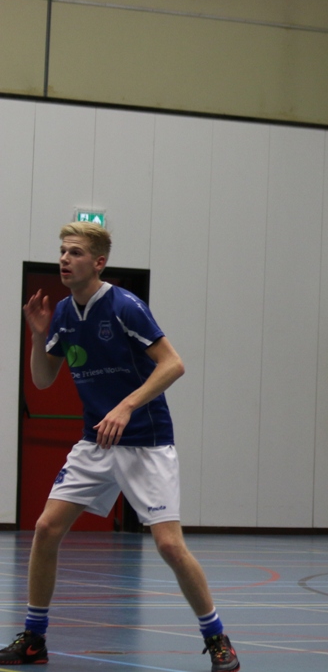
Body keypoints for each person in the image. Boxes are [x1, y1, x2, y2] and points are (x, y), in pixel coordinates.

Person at [0, 222, 240, 672]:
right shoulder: (65, 314)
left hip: (146, 442)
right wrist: (37, 335)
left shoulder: (125, 306)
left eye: (75, 252)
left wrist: (126, 406)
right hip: (95, 442)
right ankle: (34, 638)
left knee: (169, 547)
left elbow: (173, 364)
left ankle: (217, 639)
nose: (64, 259)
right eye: (62, 251)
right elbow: (43, 379)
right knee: (46, 528)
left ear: (99, 262)